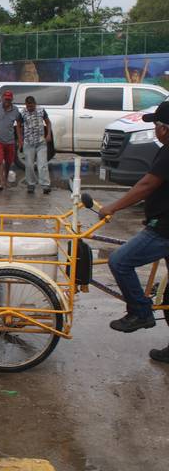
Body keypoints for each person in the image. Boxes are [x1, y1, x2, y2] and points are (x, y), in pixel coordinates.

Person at [98, 101, 169, 360]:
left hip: (165, 230)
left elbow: (147, 184)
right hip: (162, 222)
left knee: (119, 261)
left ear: (166, 129)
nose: (155, 130)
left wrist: (113, 207)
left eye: (157, 125)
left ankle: (141, 312)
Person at [16, 95, 52, 194]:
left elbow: (48, 123)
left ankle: (45, 185)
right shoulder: (22, 113)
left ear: (35, 104)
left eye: (31, 106)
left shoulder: (41, 111)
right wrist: (20, 141)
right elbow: (18, 126)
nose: (30, 108)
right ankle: (31, 184)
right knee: (29, 165)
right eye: (28, 106)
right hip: (28, 142)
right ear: (26, 105)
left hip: (41, 142)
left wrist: (48, 134)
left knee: (42, 164)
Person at [0, 90, 20, 191]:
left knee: (8, 162)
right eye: (5, 99)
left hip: (10, 140)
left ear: (12, 100)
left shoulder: (15, 110)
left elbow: (19, 125)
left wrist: (20, 139)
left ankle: (5, 179)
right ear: (2, 98)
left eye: (9, 99)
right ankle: (1, 181)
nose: (7, 101)